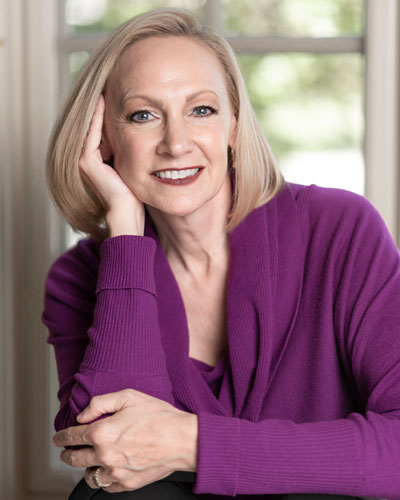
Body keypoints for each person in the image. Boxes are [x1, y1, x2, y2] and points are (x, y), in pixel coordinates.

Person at [41, 7, 400, 500]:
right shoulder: (80, 276)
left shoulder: (341, 230)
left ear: (233, 126)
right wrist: (125, 234)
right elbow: (109, 452)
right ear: (102, 139)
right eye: (143, 115)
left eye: (202, 110)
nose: (176, 142)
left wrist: (193, 444)